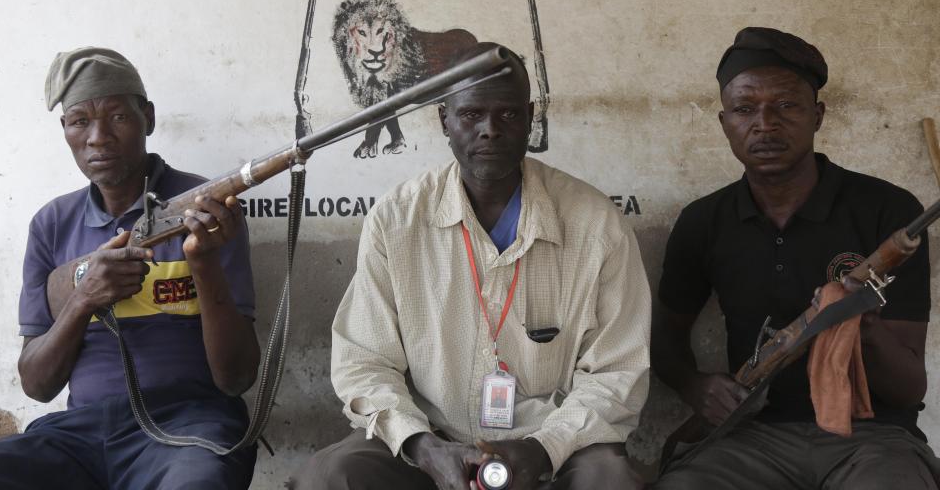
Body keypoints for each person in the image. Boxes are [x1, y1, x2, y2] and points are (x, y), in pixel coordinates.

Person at [300, 43, 651, 490]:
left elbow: (617, 370)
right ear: (443, 119)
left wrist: (544, 447)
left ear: (530, 119)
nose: (490, 130)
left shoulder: (595, 223)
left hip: (557, 447)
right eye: (471, 115)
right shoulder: (396, 219)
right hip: (433, 444)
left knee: (610, 480)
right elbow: (364, 362)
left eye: (508, 115)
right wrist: (423, 446)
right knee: (333, 476)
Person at [652, 27, 938, 489]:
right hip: (750, 439)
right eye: (745, 109)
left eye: (786, 105)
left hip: (873, 439)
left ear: (818, 115)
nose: (765, 124)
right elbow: (666, 343)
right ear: (724, 123)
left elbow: (909, 390)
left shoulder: (888, 210)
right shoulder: (704, 220)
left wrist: (859, 322)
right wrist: (695, 387)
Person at [0, 47, 260, 489]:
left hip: (188, 428)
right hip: (79, 437)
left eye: (117, 117)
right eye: (80, 122)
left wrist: (202, 261)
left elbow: (236, 378)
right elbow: (37, 385)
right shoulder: (52, 224)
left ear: (147, 117)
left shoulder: (205, 209)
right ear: (65, 131)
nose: (98, 137)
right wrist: (85, 298)